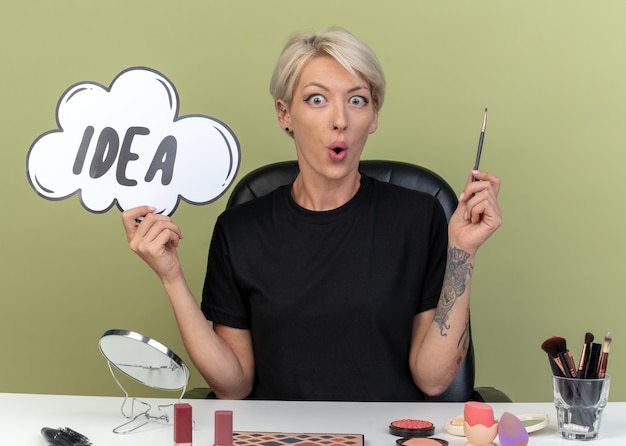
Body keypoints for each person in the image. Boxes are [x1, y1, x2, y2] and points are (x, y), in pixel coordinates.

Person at [121, 27, 502, 401]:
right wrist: (171, 277)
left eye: (357, 100)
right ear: (284, 113)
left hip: (389, 435)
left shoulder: (419, 217)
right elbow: (234, 387)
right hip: (278, 438)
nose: (340, 120)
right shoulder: (240, 230)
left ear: (373, 117)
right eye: (317, 100)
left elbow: (434, 381)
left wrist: (463, 252)